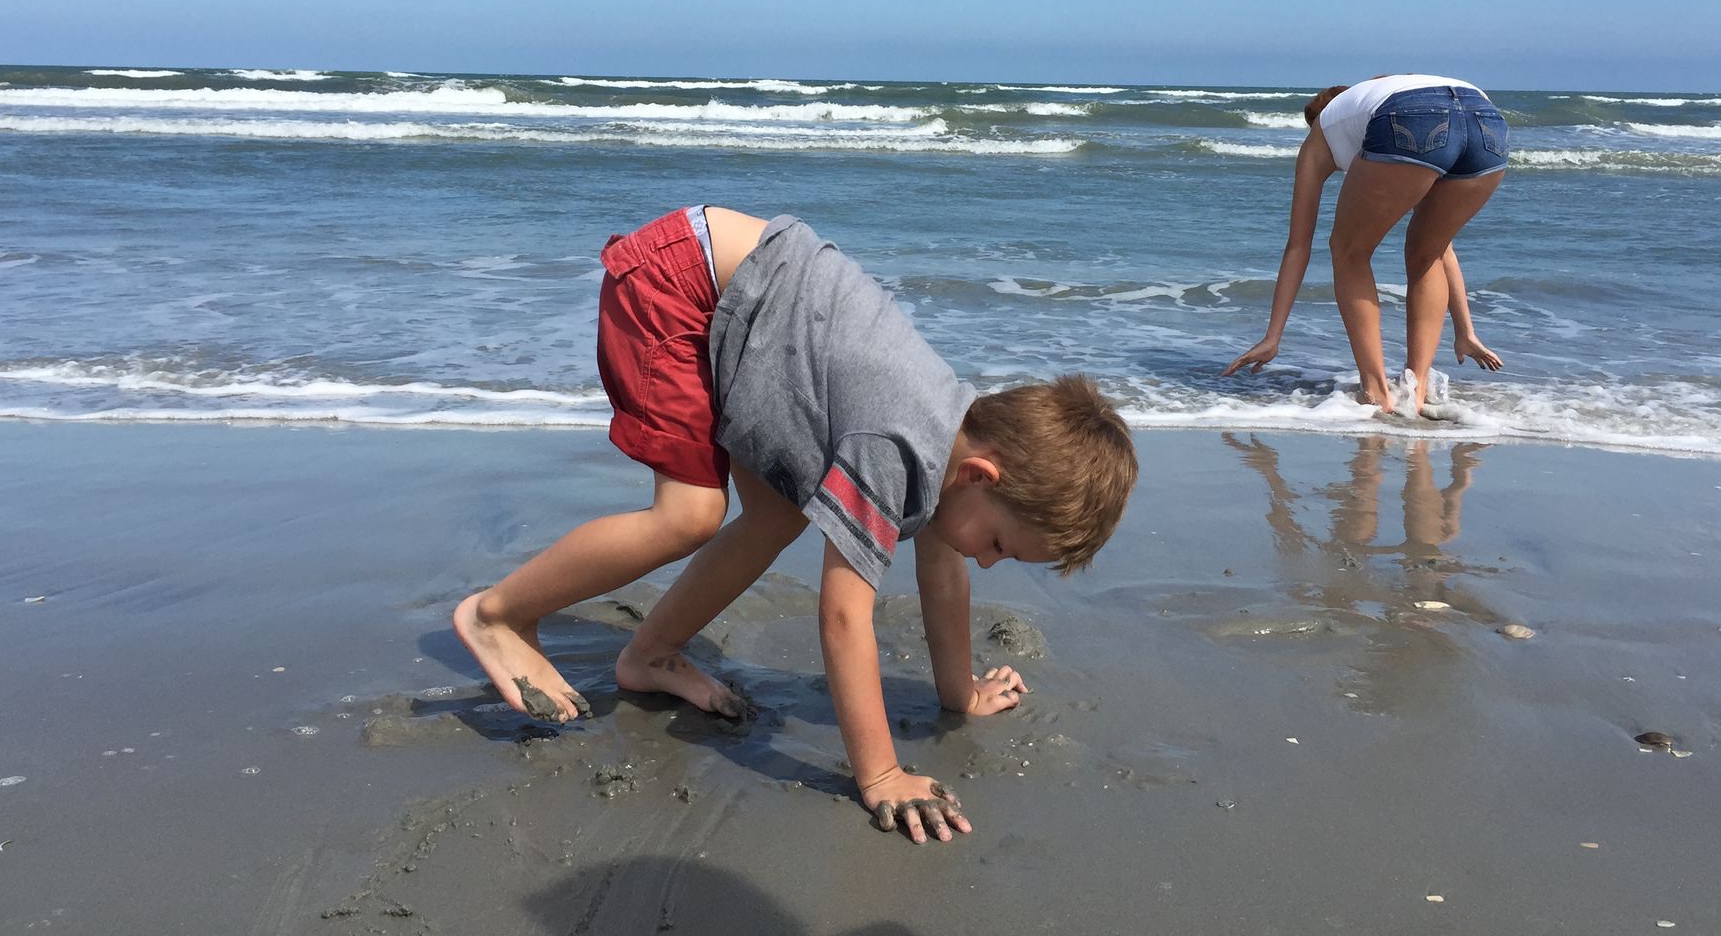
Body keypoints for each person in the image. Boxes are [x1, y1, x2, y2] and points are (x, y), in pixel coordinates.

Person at [454, 205, 1138, 844]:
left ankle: (648, 656)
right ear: (980, 477)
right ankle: (499, 616)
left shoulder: (954, 441)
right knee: (690, 514)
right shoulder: (896, 444)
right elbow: (844, 614)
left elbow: (942, 565)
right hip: (679, 285)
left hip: (750, 323)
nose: (987, 562)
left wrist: (960, 695)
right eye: (998, 546)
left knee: (777, 516)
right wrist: (880, 775)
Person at [1223, 76, 1508, 416]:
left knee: (1348, 251)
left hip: (1408, 119)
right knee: (1427, 249)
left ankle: (1376, 392)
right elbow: (1442, 251)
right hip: (1486, 119)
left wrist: (1273, 337)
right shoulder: (1375, 94)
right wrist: (1465, 332)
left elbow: (1299, 245)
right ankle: (1413, 395)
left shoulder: (1321, 132)